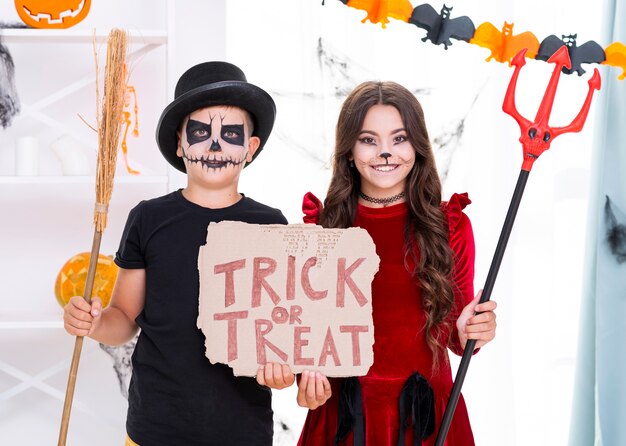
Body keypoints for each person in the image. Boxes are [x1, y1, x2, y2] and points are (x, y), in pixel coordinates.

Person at [62, 61, 320, 446]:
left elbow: (279, 336)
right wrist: (94, 323)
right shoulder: (148, 218)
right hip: (156, 429)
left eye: (230, 134)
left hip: (241, 430)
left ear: (250, 148)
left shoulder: (271, 225)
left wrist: (285, 372)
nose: (215, 145)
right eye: (200, 132)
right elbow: (123, 319)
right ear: (181, 144)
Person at [297, 81, 498, 446]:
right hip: (345, 417)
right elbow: (307, 337)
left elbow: (454, 335)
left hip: (426, 419)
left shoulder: (449, 226)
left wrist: (472, 329)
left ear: (417, 145)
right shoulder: (322, 228)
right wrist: (306, 378)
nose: (386, 152)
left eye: (399, 138)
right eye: (369, 140)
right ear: (348, 149)